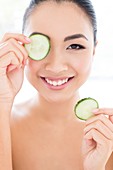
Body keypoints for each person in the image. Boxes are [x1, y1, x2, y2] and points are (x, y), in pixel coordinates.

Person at [0, 0, 113, 169]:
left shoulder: (106, 138)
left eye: (75, 46)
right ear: (21, 46)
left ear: (94, 50)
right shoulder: (3, 123)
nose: (56, 66)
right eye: (41, 44)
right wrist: (2, 101)